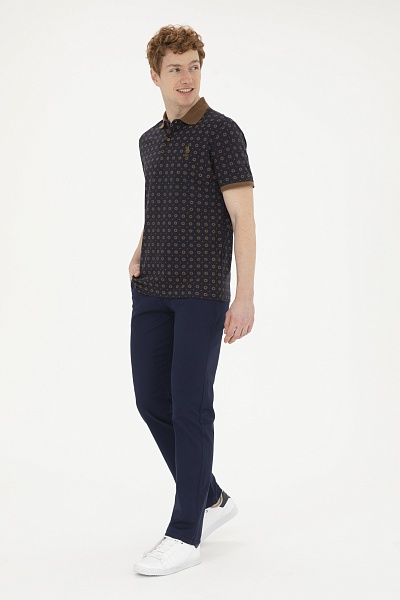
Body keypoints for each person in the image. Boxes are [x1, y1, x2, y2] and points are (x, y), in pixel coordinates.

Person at [129, 24, 256, 576]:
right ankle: (209, 496)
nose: (186, 78)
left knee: (190, 404)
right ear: (155, 75)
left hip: (202, 292)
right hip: (151, 288)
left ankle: (186, 532)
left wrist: (244, 295)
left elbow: (243, 218)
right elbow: (160, 202)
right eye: (175, 69)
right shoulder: (149, 140)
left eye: (194, 67)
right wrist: (139, 249)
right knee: (151, 400)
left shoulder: (222, 133)